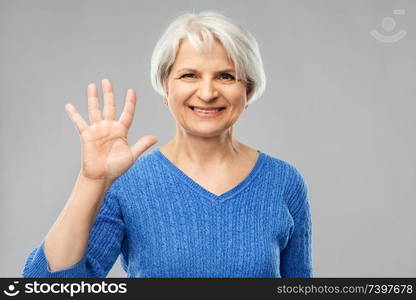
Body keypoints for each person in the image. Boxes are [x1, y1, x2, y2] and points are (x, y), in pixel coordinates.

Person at [21, 10, 312, 278]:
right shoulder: (129, 182)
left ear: (247, 90)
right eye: (189, 75)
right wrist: (91, 180)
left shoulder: (284, 181)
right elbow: (44, 285)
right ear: (165, 87)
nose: (208, 92)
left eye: (225, 76)